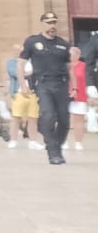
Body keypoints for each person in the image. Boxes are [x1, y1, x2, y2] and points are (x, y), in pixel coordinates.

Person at [20, 14, 75, 166]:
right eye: (49, 22)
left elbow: (69, 68)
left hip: (61, 85)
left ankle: (55, 144)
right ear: (42, 24)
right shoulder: (32, 42)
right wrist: (23, 84)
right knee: (49, 115)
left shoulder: (63, 44)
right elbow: (21, 64)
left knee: (64, 120)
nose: (52, 25)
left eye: (54, 22)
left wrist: (74, 86)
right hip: (43, 84)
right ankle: (53, 152)